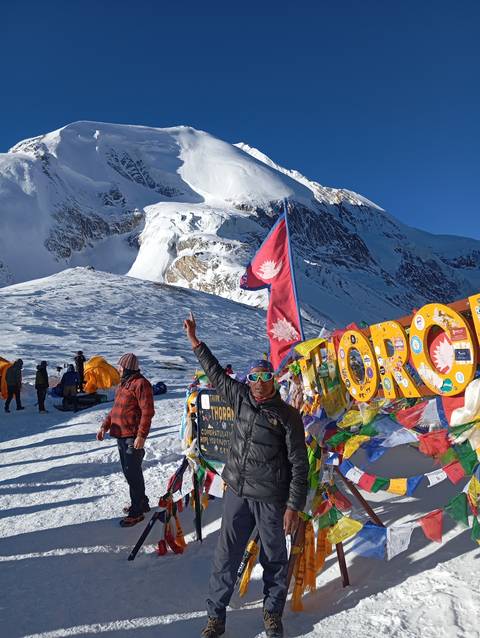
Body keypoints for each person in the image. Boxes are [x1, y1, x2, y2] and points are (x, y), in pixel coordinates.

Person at [183, 313, 308, 638]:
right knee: (226, 556)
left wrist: (294, 506)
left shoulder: (288, 416)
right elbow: (215, 374)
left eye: (265, 375)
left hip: (270, 499)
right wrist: (196, 342)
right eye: (254, 376)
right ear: (249, 379)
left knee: (274, 559)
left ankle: (271, 614)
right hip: (237, 492)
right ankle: (215, 618)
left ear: (273, 380)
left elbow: (299, 464)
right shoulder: (240, 398)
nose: (259, 382)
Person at [96, 353, 155, 527]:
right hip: (120, 435)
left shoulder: (141, 384)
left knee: (132, 473)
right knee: (131, 473)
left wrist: (141, 435)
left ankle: (136, 512)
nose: (119, 370)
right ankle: (141, 502)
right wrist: (104, 426)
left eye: (121, 367)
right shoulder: (124, 384)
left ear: (128, 367)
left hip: (132, 437)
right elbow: (115, 410)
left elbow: (148, 412)